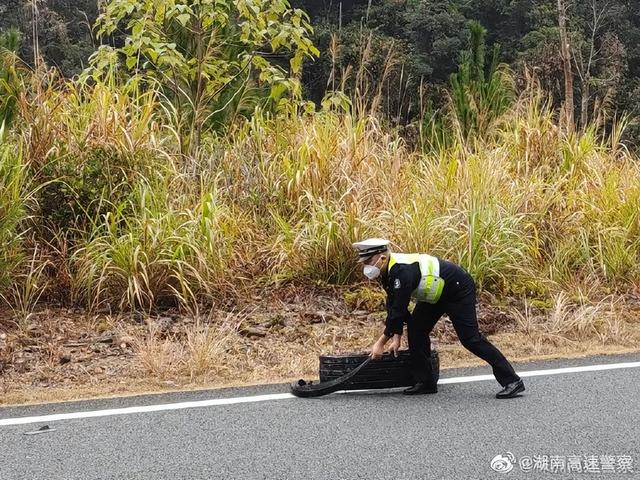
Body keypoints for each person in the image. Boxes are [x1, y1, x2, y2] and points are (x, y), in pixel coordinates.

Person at [352, 238, 525, 399]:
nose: (366, 267)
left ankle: (512, 381)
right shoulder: (387, 271)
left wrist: (380, 343)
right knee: (416, 329)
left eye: (368, 262)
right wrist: (396, 337)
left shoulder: (401, 271)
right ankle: (426, 382)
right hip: (436, 294)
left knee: (470, 339)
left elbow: (398, 310)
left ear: (382, 258)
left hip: (457, 289)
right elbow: (394, 306)